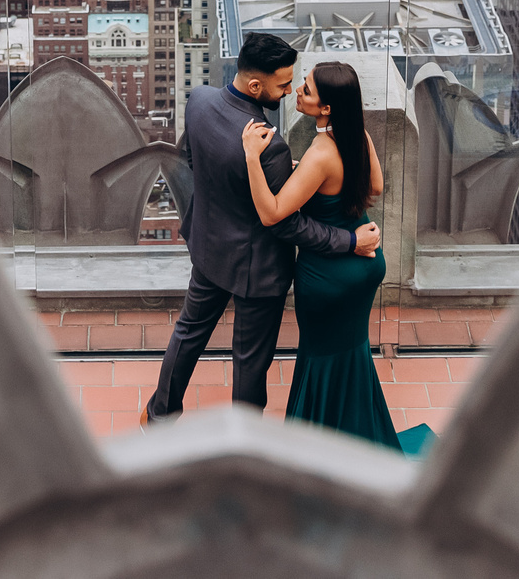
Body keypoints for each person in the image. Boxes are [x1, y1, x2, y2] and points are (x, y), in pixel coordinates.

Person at [143, 33, 381, 420]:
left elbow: (192, 159)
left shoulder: (199, 101)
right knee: (250, 364)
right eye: (283, 84)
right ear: (256, 86)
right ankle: (245, 437)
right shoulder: (270, 146)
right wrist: (348, 240)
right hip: (259, 272)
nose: (288, 91)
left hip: (209, 248)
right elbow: (287, 225)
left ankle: (158, 415)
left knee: (187, 334)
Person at [242, 60, 403, 450]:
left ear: (326, 107)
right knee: (351, 356)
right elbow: (375, 186)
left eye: (307, 90)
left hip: (328, 279)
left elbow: (272, 213)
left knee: (320, 359)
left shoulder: (321, 154)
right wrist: (315, 181)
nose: (298, 90)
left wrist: (251, 157)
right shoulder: (356, 135)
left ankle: (316, 451)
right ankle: (361, 442)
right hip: (366, 266)